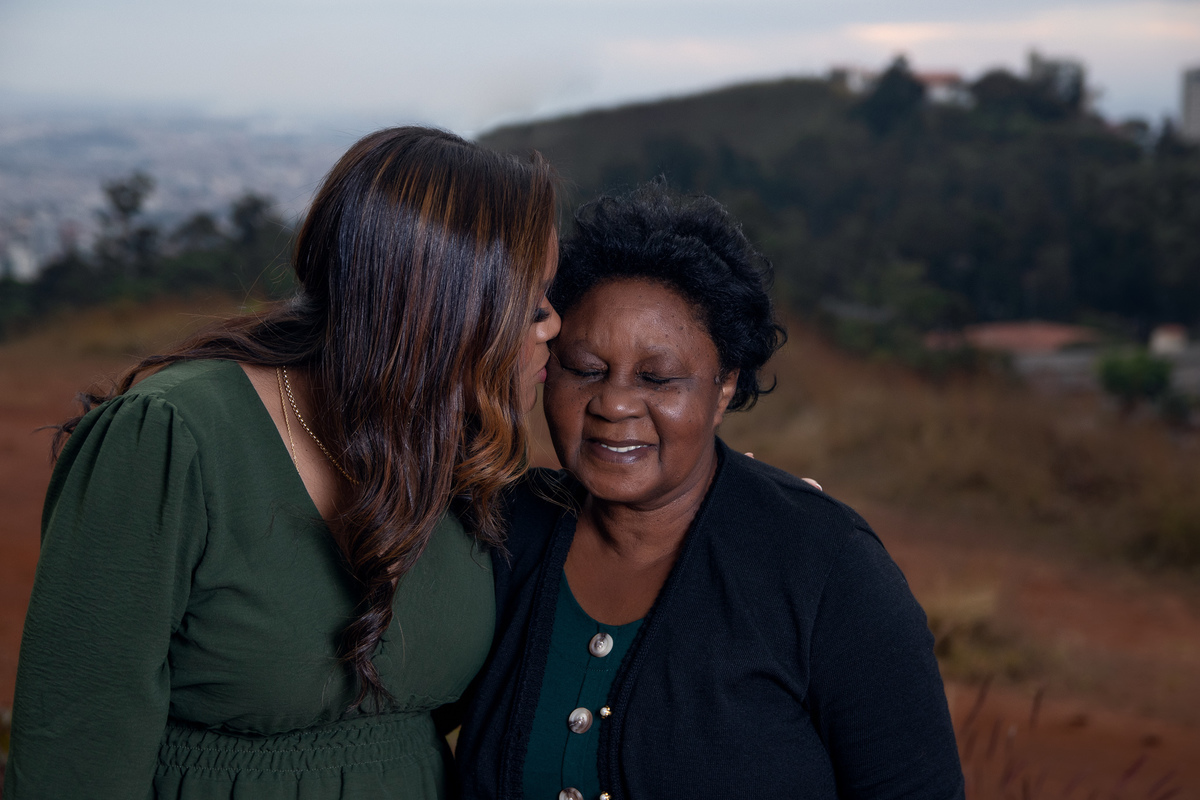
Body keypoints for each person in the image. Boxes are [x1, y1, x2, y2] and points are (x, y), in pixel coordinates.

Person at [4, 126, 562, 799]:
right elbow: (74, 759)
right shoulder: (172, 439)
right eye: (532, 304)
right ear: (442, 310)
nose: (555, 325)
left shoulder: (451, 456)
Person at [454, 182, 964, 799]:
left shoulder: (825, 565)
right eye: (585, 369)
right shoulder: (499, 531)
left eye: (658, 378)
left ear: (724, 388)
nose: (613, 403)